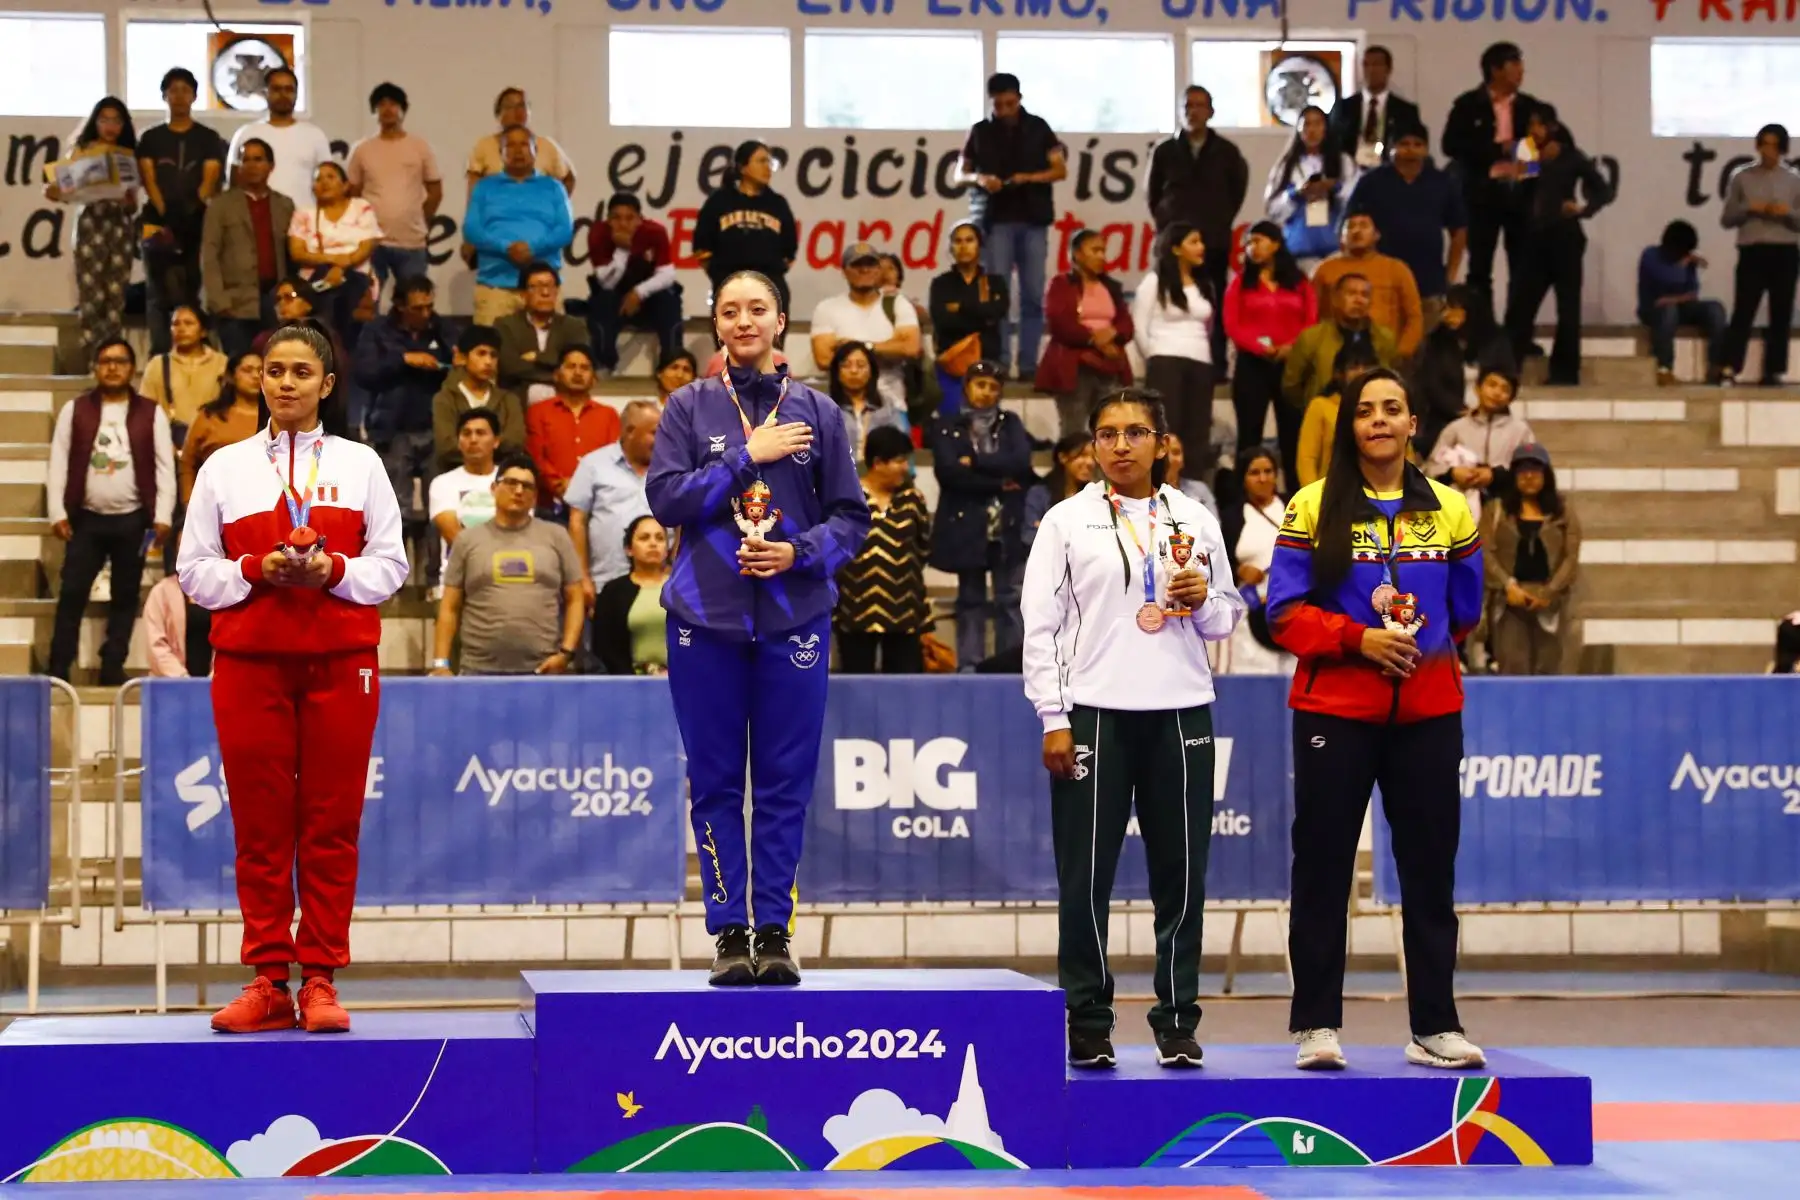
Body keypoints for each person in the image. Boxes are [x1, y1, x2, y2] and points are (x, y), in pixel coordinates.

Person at [178, 320, 408, 1034]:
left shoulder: (360, 464)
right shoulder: (224, 467)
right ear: (258, 378)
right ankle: (268, 978)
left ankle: (322, 979)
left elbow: (392, 566)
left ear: (326, 384)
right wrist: (254, 569)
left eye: (300, 372)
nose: (284, 382)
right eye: (273, 369)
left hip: (341, 662)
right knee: (261, 827)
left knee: (332, 824)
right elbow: (192, 572)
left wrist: (334, 569)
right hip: (250, 665)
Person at [646, 269, 870, 986]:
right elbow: (667, 501)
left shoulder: (821, 412)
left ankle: (774, 929)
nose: (743, 320)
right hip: (703, 621)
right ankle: (727, 932)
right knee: (713, 783)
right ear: (716, 325)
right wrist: (749, 456)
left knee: (783, 784)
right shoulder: (687, 406)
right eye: (730, 310)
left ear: (781, 322)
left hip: (794, 619)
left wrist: (797, 553)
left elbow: (852, 518)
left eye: (758, 309)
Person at [1264, 369, 1485, 1072]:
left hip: (1428, 711)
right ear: (1350, 427)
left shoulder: (1452, 510)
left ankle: (1434, 1028)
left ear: (1414, 422)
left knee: (1428, 870)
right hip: (1336, 708)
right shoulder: (1309, 506)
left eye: (1393, 408)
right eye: (1365, 411)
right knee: (1323, 865)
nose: (1379, 420)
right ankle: (1317, 1027)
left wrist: (1420, 651)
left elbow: (1467, 609)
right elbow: (1283, 613)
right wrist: (1359, 640)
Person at [1022, 386, 1244, 1069]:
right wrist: (1053, 717)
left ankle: (1177, 1019)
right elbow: (1040, 625)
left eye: (1136, 432)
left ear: (1162, 443)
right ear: (1091, 446)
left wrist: (1203, 598)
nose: (1121, 445)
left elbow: (1227, 616)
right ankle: (1088, 1020)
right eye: (1108, 434)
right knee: (1085, 878)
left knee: (1182, 876)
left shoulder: (1195, 518)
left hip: (1181, 710)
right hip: (1094, 713)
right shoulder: (1065, 521)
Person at [47, 338, 176, 684]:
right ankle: (59, 666)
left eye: (120, 361)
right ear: (95, 367)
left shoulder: (151, 412)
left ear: (132, 369)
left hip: (134, 521)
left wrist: (162, 516)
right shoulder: (76, 410)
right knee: (72, 592)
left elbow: (165, 466)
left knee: (126, 594)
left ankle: (111, 665)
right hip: (86, 519)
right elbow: (58, 462)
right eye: (105, 361)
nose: (113, 367)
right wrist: (56, 511)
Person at [433, 452, 585, 677]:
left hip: (542, 669)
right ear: (494, 489)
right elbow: (449, 606)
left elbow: (575, 598)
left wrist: (566, 653)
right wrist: (441, 664)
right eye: (511, 483)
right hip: (477, 670)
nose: (519, 490)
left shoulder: (557, 536)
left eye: (527, 486)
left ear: (535, 497)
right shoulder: (467, 540)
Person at [960, 73, 1066, 380]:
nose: (1005, 109)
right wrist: (980, 179)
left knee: (1033, 295)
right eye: (999, 104)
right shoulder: (980, 131)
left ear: (1019, 98)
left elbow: (1059, 169)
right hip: (995, 221)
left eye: (1010, 103)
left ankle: (1029, 363)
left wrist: (1028, 178)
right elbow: (960, 174)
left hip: (1033, 218)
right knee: (999, 296)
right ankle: (1002, 361)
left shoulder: (1039, 128)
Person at [930, 359, 1034, 670]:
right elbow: (949, 473)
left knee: (1010, 599)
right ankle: (970, 665)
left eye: (993, 387)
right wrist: (1000, 481)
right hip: (966, 524)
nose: (987, 393)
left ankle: (1011, 664)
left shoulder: (1010, 422)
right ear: (967, 388)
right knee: (971, 599)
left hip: (1007, 523)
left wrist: (974, 461)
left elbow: (1021, 462)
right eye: (981, 385)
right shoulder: (946, 423)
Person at [1441, 42, 1547, 328]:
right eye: (1515, 66)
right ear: (1495, 69)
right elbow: (1450, 145)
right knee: (1479, 269)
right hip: (1481, 196)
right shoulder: (1467, 105)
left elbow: (1545, 144)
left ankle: (1518, 335)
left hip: (1521, 194)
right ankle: (1481, 332)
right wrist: (1498, 149)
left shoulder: (1530, 107)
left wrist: (1525, 148)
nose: (1521, 72)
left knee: (1522, 269)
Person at [1147, 86, 1250, 371]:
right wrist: (1169, 224)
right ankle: (1171, 357)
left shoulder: (1227, 152)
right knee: (1169, 298)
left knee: (1213, 298)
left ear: (1211, 111)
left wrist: (1217, 220)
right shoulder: (1165, 151)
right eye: (1188, 106)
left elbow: (1236, 191)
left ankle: (1215, 363)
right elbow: (1153, 194)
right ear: (1181, 111)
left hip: (1213, 240)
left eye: (1200, 105)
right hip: (1174, 242)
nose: (1193, 111)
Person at [1505, 125, 1613, 387]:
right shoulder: (1527, 154)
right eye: (1529, 126)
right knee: (1520, 305)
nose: (1533, 130)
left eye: (1537, 125)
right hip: (1533, 238)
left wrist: (1583, 209)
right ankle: (1507, 368)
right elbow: (1516, 194)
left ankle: (1564, 373)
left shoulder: (1571, 156)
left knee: (1568, 309)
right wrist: (1530, 167)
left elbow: (1603, 190)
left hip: (1565, 237)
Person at [358, 276, 451, 574]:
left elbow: (459, 361)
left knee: (439, 509)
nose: (426, 314)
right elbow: (364, 372)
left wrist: (437, 360)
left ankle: (435, 576)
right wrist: (403, 359)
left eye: (429, 307)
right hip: (392, 430)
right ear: (399, 306)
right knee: (397, 510)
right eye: (417, 308)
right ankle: (396, 577)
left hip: (436, 429)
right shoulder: (376, 332)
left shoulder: (442, 328)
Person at [137, 68, 227, 357]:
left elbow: (210, 178)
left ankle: (190, 350)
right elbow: (148, 179)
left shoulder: (208, 138)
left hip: (196, 220)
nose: (179, 96)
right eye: (173, 90)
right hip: (155, 222)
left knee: (190, 288)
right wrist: (166, 215)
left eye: (185, 90)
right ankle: (159, 354)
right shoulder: (150, 138)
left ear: (194, 96)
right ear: (164, 95)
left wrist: (189, 212)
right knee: (157, 291)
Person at [1345, 124, 1467, 330]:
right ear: (1390, 148)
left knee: (1425, 348)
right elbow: (1351, 223)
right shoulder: (1372, 182)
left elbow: (1459, 230)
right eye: (1403, 144)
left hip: (1428, 282)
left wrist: (1450, 275)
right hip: (1381, 282)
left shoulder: (1442, 182)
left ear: (1426, 149)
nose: (1410, 149)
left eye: (1417, 144)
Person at [1223, 222, 1317, 485]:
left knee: (1293, 435)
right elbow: (1232, 324)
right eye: (1249, 243)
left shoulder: (1299, 282)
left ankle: (1296, 498)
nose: (1253, 248)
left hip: (1291, 365)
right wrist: (1260, 347)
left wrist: (1291, 347)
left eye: (1259, 241)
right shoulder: (1241, 283)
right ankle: (1243, 498)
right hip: (1251, 365)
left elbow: (1310, 320)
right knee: (1249, 434)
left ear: (1276, 244)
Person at [834, 425, 931, 675]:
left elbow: (923, 548)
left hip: (905, 611)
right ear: (878, 462)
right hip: (855, 609)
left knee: (906, 688)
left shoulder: (913, 499)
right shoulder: (848, 498)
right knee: (857, 685)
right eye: (899, 461)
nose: (905, 468)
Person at [48, 97, 139, 361]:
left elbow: (133, 202)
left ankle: (113, 353)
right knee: (92, 291)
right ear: (95, 122)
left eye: (116, 120)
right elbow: (55, 188)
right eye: (104, 120)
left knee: (115, 292)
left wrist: (129, 202)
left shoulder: (127, 154)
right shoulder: (80, 151)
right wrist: (60, 188)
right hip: (91, 219)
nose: (110, 126)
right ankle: (93, 356)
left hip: (119, 221)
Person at [1483, 443, 1579, 677]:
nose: (1528, 476)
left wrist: (1550, 591)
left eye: (1535, 470)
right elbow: (1484, 552)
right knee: (1513, 668)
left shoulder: (1562, 510)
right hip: (1510, 601)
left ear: (1546, 475)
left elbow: (1571, 555)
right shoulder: (1497, 509)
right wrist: (1508, 585)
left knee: (1551, 669)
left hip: (1551, 601)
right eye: (1522, 470)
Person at [464, 126, 577, 327]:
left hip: (544, 288)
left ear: (535, 151)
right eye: (510, 145)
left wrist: (533, 248)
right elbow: (472, 229)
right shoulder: (485, 187)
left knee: (551, 354)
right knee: (488, 352)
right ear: (501, 153)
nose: (518, 150)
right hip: (495, 287)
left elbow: (564, 230)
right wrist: (505, 247)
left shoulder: (553, 187)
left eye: (524, 144)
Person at [345, 82, 442, 301]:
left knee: (414, 303)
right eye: (381, 104)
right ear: (374, 112)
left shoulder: (420, 146)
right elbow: (352, 195)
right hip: (371, 243)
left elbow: (435, 191)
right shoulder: (362, 150)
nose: (388, 109)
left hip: (412, 242)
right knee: (368, 303)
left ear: (403, 110)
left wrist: (418, 218)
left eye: (394, 104)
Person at [1133, 222, 1217, 472]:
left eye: (1201, 242)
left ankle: (1193, 489)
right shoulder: (1154, 281)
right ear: (1176, 248)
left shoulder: (1204, 284)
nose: (1201, 247)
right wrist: (1154, 356)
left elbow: (1209, 327)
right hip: (1166, 360)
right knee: (1166, 430)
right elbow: (1139, 326)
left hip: (1201, 363)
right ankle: (1161, 486)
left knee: (1198, 432)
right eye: (1194, 242)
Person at [1722, 123, 1800, 387]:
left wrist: (1786, 213)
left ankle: (1774, 370)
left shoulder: (1794, 180)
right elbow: (1727, 218)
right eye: (1764, 144)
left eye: (1774, 145)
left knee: (1781, 312)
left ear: (1782, 148)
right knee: (1743, 310)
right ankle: (1730, 366)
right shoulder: (1742, 177)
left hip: (1785, 250)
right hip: (1753, 250)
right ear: (1757, 146)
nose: (1768, 151)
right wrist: (1749, 208)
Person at [203, 138, 294, 358]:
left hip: (275, 301)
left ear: (271, 166)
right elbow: (209, 253)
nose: (252, 165)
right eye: (246, 160)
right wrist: (219, 300)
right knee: (241, 369)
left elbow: (292, 255)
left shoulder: (285, 205)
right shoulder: (221, 205)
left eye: (258, 159)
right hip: (235, 303)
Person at [1039, 229, 1134, 437]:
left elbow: (1126, 324)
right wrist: (1094, 340)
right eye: (1095, 250)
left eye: (1103, 251)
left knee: (1109, 431)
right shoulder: (1061, 284)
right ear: (1077, 254)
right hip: (1075, 367)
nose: (1101, 256)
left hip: (1110, 365)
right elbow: (1060, 322)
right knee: (1073, 431)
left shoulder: (1111, 287)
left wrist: (1113, 332)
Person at [811, 242, 922, 416]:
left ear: (878, 270)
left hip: (893, 405)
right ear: (844, 271)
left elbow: (911, 348)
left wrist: (860, 347)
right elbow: (824, 359)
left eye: (870, 264)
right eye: (856, 264)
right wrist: (889, 347)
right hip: (843, 409)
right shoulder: (827, 308)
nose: (864, 270)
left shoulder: (898, 304)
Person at [692, 141, 799, 316]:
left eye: (769, 162)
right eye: (761, 161)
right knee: (732, 342)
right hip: (730, 284)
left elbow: (789, 252)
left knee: (770, 343)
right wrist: (720, 277)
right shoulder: (719, 201)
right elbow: (702, 247)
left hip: (769, 287)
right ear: (743, 168)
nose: (768, 168)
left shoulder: (778, 204)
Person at [566, 400, 658, 597]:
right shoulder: (593, 464)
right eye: (655, 433)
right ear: (630, 431)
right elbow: (577, 522)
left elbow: (680, 525)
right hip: (605, 584)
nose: (662, 440)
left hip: (658, 585)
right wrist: (582, 577)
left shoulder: (669, 468)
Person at [586, 193, 683, 377]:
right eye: (616, 218)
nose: (623, 224)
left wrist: (638, 292)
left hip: (649, 299)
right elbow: (606, 282)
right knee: (603, 300)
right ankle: (603, 364)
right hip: (615, 298)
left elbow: (668, 274)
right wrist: (623, 249)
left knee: (669, 299)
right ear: (608, 220)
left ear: (640, 219)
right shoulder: (598, 234)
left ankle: (672, 363)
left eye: (629, 218)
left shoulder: (655, 232)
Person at [1407, 285, 1506, 461]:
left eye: (1454, 308)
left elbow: (1506, 378)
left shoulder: (1494, 341)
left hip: (1492, 414)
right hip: (1446, 418)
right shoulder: (1436, 341)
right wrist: (1460, 410)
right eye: (1445, 308)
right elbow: (1431, 384)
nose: (1446, 315)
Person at [1216, 445, 1291, 676]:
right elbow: (1218, 561)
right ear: (1243, 478)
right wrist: (1239, 570)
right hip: (1249, 614)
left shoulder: (1295, 507)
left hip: (1293, 609)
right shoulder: (1232, 517)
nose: (1263, 478)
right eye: (1254, 473)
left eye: (1268, 471)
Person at [1312, 213, 1425, 360]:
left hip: (1385, 355)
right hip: (1334, 355)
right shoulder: (1325, 270)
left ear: (1376, 235)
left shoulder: (1396, 269)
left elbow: (1414, 317)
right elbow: (1312, 315)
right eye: (1350, 226)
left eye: (1364, 225)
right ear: (1341, 237)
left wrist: (1401, 353)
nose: (1357, 231)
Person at [1285, 275, 1399, 420]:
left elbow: (1393, 377)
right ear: (1336, 299)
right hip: (1324, 418)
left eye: (1364, 295)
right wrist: (1312, 409)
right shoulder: (1312, 337)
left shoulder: (1385, 338)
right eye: (1351, 294)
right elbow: (1291, 385)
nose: (1358, 300)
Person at [287, 162, 381, 336]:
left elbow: (365, 248)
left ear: (345, 185)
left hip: (356, 278)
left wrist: (340, 269)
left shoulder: (361, 207)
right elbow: (297, 252)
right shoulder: (304, 213)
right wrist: (333, 262)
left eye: (330, 177)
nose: (324, 182)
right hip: (315, 282)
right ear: (313, 188)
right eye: (318, 179)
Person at [525, 345, 621, 515]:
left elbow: (613, 460)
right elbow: (536, 457)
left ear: (594, 379)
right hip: (548, 506)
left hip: (597, 504)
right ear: (556, 375)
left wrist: (584, 488)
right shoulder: (538, 412)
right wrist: (559, 485)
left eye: (584, 368)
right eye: (571, 366)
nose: (578, 373)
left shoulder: (609, 415)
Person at [1429, 365, 1536, 516]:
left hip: (1505, 509)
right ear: (1478, 388)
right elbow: (1431, 469)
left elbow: (1531, 470)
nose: (1497, 393)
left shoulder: (1521, 431)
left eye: (1505, 389)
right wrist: (1452, 473)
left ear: (1511, 398)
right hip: (1458, 506)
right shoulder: (1456, 428)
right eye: (1492, 385)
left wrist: (1495, 476)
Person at [929, 219, 1009, 415]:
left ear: (979, 245)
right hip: (952, 362)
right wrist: (980, 313)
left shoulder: (994, 282)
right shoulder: (941, 284)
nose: (963, 246)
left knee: (986, 421)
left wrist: (961, 307)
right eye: (958, 241)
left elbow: (996, 313)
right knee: (952, 418)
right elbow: (943, 322)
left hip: (987, 363)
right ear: (951, 247)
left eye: (969, 240)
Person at [1263, 105, 1355, 272]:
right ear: (1298, 129)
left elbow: (1355, 200)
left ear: (1326, 128)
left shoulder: (1343, 161)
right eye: (1307, 124)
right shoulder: (1286, 166)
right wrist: (1295, 194)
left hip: (1336, 247)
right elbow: (1272, 209)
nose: (1312, 130)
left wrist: (1335, 187)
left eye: (1318, 124)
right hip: (1300, 249)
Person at [1639, 220, 1730, 387]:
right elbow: (1663, 280)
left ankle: (1717, 367)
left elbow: (1692, 292)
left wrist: (1675, 298)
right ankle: (1664, 368)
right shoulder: (1650, 255)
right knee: (1668, 311)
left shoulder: (1687, 262)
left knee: (1715, 309)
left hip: (1680, 307)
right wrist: (1682, 266)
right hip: (1653, 310)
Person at [226, 67, 332, 204]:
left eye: (289, 90)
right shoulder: (246, 133)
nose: (283, 95)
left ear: (296, 94)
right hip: (255, 220)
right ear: (265, 93)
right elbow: (234, 185)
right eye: (276, 89)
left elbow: (328, 184)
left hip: (304, 219)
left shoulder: (315, 136)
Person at [433, 325, 525, 469]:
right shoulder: (445, 398)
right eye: (481, 354)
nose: (488, 362)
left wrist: (473, 446)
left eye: (493, 355)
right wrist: (490, 445)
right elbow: (446, 445)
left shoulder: (509, 400)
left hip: (499, 472)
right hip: (456, 472)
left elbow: (515, 442)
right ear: (463, 358)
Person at [497, 261, 590, 402]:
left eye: (550, 286)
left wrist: (537, 357)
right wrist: (556, 372)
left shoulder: (574, 326)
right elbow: (509, 367)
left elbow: (578, 366)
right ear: (523, 294)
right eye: (536, 287)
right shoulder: (505, 325)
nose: (545, 293)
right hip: (518, 404)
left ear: (557, 290)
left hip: (564, 402)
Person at [593, 516, 673, 676]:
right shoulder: (613, 592)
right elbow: (605, 645)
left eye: (660, 538)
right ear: (629, 549)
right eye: (644, 538)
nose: (653, 543)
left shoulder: (683, 589)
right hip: (629, 683)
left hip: (681, 682)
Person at [427, 407, 500, 582]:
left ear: (496, 441)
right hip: (459, 579)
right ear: (459, 442)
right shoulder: (443, 483)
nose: (473, 439)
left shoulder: (511, 480)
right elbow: (455, 536)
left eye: (481, 433)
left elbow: (520, 532)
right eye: (466, 433)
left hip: (506, 578)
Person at [1297, 341, 1383, 489]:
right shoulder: (1321, 406)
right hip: (1333, 497)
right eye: (1353, 367)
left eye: (1367, 366)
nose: (1361, 372)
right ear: (1338, 374)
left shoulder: (1385, 409)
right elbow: (1307, 460)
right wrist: (1315, 501)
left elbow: (1405, 454)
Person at [181, 351, 265, 503]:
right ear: (231, 377)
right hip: (215, 503)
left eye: (261, 371)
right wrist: (189, 504)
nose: (255, 376)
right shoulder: (209, 416)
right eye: (247, 370)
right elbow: (187, 463)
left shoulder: (279, 417)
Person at [140, 305, 229, 444]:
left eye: (188, 323)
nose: (181, 329)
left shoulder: (221, 363)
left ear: (203, 331)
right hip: (168, 441)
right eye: (175, 324)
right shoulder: (157, 365)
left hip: (212, 439)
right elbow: (145, 410)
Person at [467, 87, 576, 198]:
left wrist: (553, 205)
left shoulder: (547, 145)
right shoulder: (484, 145)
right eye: (510, 106)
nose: (518, 112)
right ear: (498, 114)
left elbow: (568, 178)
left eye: (522, 106)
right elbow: (474, 188)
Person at [1327, 45, 1423, 170]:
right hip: (1350, 173)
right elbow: (1331, 143)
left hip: (1390, 174)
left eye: (1377, 64)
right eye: (1366, 65)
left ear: (1388, 69)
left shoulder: (1405, 111)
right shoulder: (1343, 108)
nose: (1371, 70)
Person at [827, 341, 907, 460]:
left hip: (879, 473)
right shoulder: (824, 407)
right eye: (846, 365)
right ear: (837, 372)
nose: (854, 371)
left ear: (872, 371)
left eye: (860, 365)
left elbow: (899, 447)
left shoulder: (887, 407)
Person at [1024, 432, 1096, 549]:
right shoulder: (1039, 493)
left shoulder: (1095, 496)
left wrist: (1050, 530)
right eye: (1082, 455)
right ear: (1063, 457)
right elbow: (1029, 536)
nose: (1090, 462)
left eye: (1093, 457)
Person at [1161, 434, 1219, 517]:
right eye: (1165, 454)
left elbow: (1214, 527)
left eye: (1176, 452)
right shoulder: (1145, 494)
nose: (1170, 459)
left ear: (1183, 461)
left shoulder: (1200, 491)